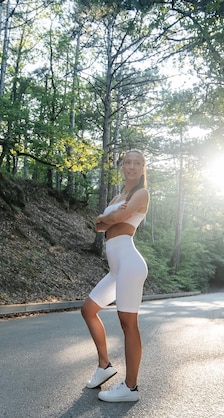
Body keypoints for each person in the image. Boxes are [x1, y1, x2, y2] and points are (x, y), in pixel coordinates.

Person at [81, 150, 150, 403]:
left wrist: (106, 217)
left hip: (130, 264)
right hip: (116, 269)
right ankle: (105, 365)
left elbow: (116, 219)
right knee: (88, 310)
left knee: (128, 324)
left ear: (143, 168)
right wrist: (106, 218)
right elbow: (99, 226)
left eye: (137, 163)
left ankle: (130, 388)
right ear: (122, 166)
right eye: (128, 162)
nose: (131, 166)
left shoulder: (141, 194)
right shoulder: (118, 196)